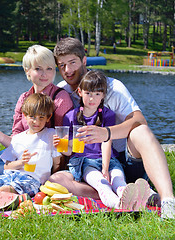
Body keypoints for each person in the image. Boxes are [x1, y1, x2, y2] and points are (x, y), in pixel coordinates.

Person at [50, 37, 175, 218]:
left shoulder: (113, 87)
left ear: (84, 61)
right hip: (86, 166)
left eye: (72, 63)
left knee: (141, 131)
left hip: (122, 161)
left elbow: (140, 119)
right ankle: (128, 195)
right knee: (57, 181)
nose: (68, 70)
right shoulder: (62, 92)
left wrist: (106, 133)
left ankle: (167, 200)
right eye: (62, 65)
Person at [0, 45, 73, 181]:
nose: (44, 74)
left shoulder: (60, 98)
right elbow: (16, 140)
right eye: (38, 69)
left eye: (49, 68)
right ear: (28, 71)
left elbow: (63, 140)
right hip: (20, 152)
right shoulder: (24, 98)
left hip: (41, 159)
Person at [54, 70, 151, 210]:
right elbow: (70, 151)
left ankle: (132, 197)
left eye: (97, 94)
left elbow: (107, 141)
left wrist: (105, 167)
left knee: (118, 179)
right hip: (85, 162)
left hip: (109, 159)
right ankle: (119, 204)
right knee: (102, 183)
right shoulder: (71, 116)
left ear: (103, 95)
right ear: (80, 92)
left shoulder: (107, 115)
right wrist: (60, 145)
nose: (92, 99)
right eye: (88, 93)